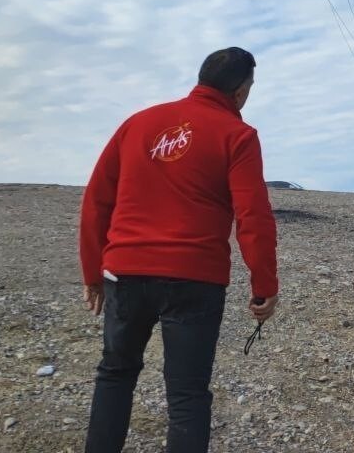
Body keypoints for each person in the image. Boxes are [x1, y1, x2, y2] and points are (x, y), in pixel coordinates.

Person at [78, 47, 279, 453]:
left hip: (125, 272)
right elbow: (253, 217)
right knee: (187, 394)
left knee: (115, 374)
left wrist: (93, 272)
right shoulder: (238, 135)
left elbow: (97, 200)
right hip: (195, 279)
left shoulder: (137, 123)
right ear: (241, 92)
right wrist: (264, 287)